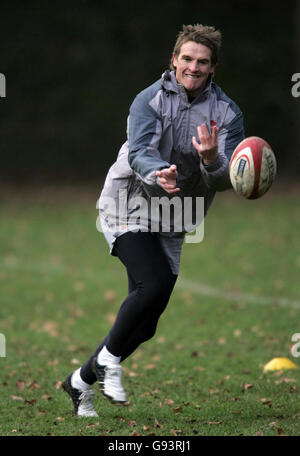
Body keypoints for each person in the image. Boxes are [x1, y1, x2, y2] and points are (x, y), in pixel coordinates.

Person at [62, 24, 245, 416]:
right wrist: (158, 170)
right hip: (129, 200)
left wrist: (213, 159)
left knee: (145, 324)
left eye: (203, 61)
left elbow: (225, 179)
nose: (193, 67)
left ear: (213, 67)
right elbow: (139, 152)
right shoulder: (148, 100)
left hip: (177, 212)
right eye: (187, 59)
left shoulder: (227, 113)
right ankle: (109, 362)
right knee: (154, 281)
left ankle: (78, 382)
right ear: (174, 60)